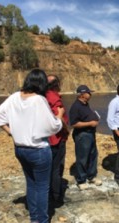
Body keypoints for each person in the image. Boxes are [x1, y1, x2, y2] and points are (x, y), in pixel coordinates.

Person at [0, 69, 64, 223]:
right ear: (42, 83)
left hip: (20, 149)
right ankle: (42, 220)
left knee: (31, 184)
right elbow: (52, 127)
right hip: (38, 150)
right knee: (42, 187)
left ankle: (34, 219)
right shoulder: (38, 100)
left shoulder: (14, 97)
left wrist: (11, 132)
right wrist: (59, 116)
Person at [69, 85, 102, 190]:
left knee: (93, 155)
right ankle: (81, 180)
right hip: (82, 135)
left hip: (90, 134)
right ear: (82, 94)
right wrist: (90, 123)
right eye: (88, 92)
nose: (90, 94)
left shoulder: (85, 104)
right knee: (82, 157)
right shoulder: (75, 107)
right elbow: (74, 124)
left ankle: (91, 176)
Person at [45, 75, 69, 205]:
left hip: (46, 139)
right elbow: (58, 118)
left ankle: (48, 194)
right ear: (57, 85)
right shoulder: (54, 98)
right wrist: (66, 129)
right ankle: (56, 197)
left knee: (48, 168)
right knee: (57, 168)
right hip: (57, 138)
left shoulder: (42, 97)